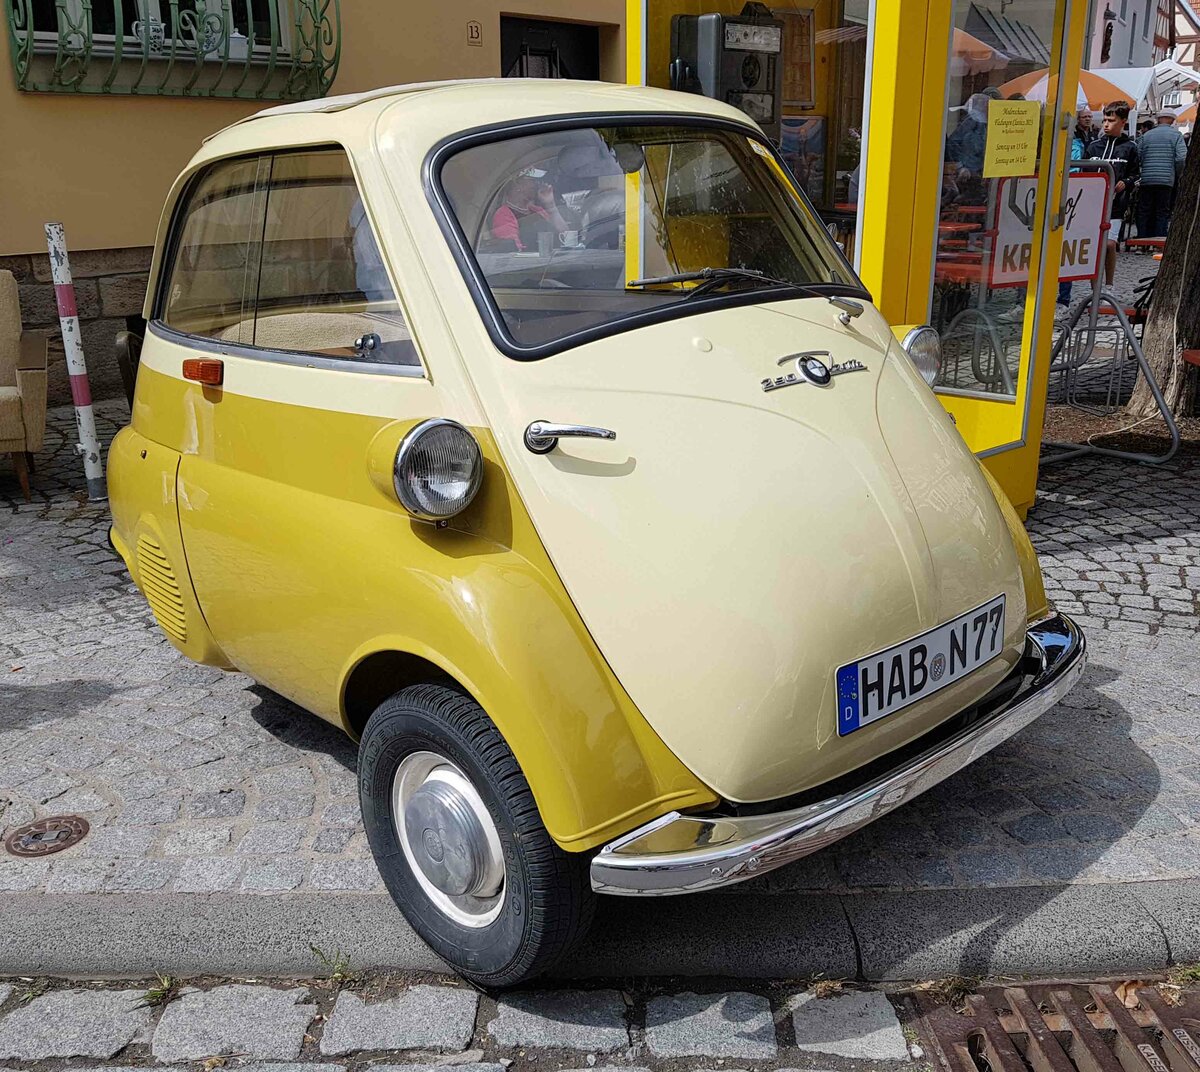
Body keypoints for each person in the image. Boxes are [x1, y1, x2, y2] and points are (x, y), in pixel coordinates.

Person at [1086, 101, 1139, 286]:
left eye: (1111, 120)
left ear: (1123, 122)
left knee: (1108, 244)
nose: (1106, 124)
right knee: (1095, 246)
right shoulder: (1093, 146)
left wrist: (1127, 182)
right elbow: (1084, 172)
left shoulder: (1130, 147)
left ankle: (1109, 285)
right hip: (1092, 204)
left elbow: (1136, 173)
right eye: (1105, 120)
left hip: (1116, 205)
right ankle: (1095, 288)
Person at [1135, 110, 1187, 238]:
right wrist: (1178, 174)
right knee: (1162, 211)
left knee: (1144, 210)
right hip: (1166, 179)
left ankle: (1142, 238)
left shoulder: (1146, 135)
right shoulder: (1176, 135)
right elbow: (1181, 158)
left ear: (1158, 120)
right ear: (1172, 121)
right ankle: (1158, 240)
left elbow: (1138, 155)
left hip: (1147, 178)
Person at [490, 174, 569, 252]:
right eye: (531, 180)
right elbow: (514, 250)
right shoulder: (503, 214)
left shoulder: (536, 210)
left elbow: (565, 236)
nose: (536, 184)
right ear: (517, 186)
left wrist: (550, 205)